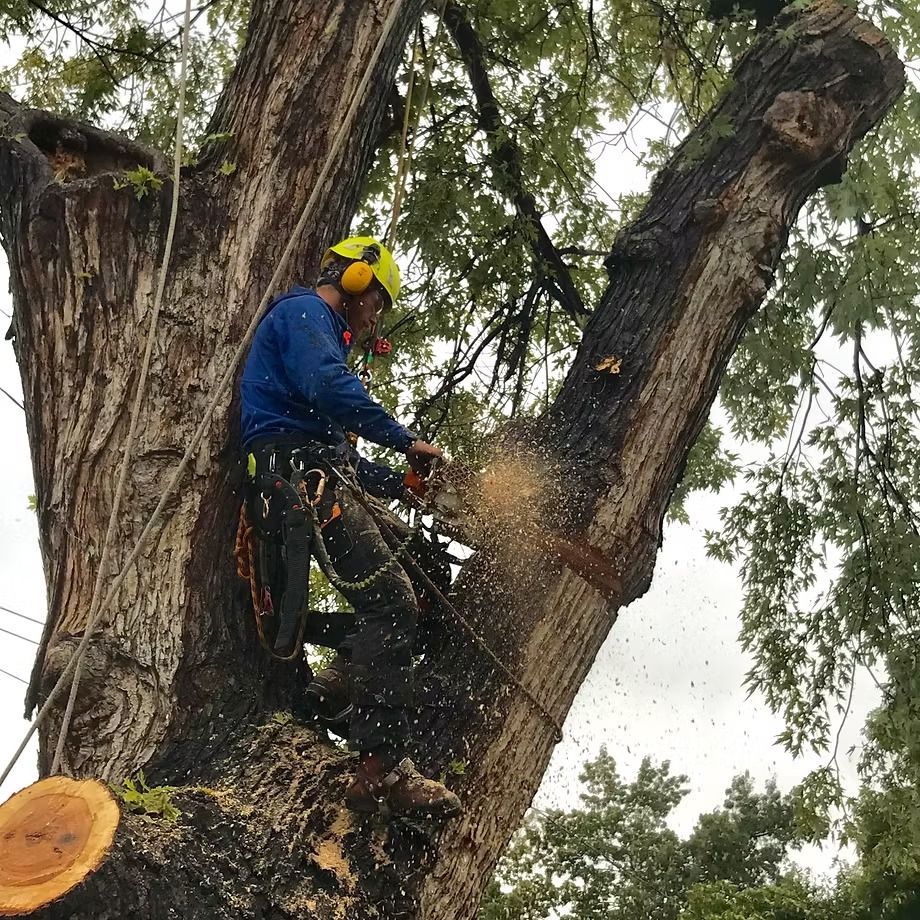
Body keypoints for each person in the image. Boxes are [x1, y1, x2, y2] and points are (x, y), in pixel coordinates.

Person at [240, 236, 461, 819]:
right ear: (359, 280)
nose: (373, 320)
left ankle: (336, 682)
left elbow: (346, 459)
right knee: (395, 607)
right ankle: (382, 768)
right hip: (297, 481)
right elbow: (329, 388)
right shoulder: (303, 313)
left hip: (317, 474)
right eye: (378, 303)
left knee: (412, 584)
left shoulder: (317, 335)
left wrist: (401, 483)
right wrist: (406, 437)